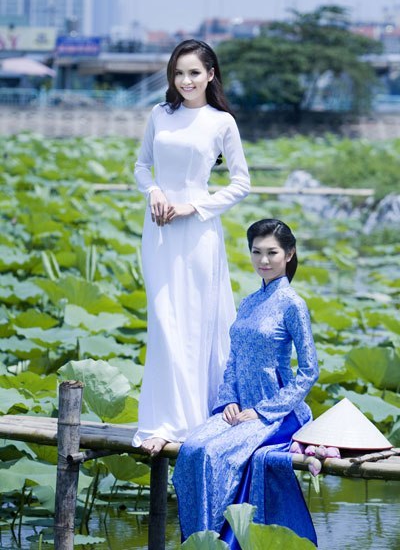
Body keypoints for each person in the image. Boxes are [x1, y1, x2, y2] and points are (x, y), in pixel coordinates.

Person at [132, 39, 250, 456]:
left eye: (194, 73)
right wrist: (154, 192)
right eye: (179, 73)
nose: (185, 80)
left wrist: (193, 206)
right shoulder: (159, 115)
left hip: (198, 231)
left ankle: (196, 420)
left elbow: (241, 183)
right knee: (164, 322)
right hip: (159, 232)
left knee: (197, 324)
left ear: (210, 75)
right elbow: (141, 166)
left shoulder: (221, 122)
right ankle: (164, 422)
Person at [172, 218, 319, 547]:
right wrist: (229, 400)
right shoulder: (249, 302)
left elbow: (309, 370)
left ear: (289, 254)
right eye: (256, 252)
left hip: (277, 413)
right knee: (192, 449)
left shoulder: (293, 304)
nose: (263, 260)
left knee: (216, 455)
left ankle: (225, 541)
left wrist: (264, 411)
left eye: (272, 253)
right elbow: (234, 360)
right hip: (238, 409)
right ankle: (196, 540)